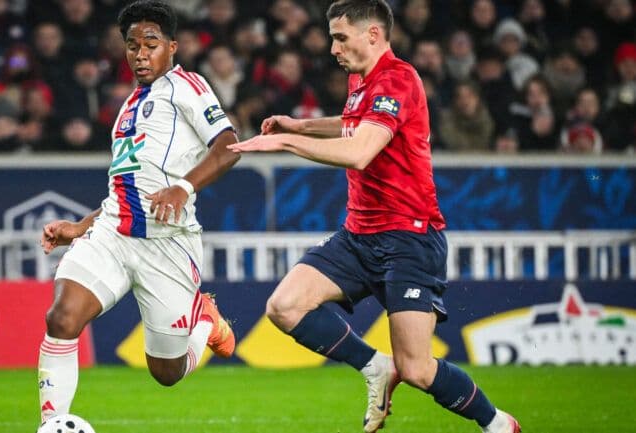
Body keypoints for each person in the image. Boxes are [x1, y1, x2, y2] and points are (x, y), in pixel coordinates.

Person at [228, 2, 521, 433]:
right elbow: (354, 124)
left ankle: (497, 423)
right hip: (359, 235)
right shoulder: (361, 81)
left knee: (417, 369)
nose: (333, 48)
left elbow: (360, 151)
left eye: (340, 38)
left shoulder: (398, 79)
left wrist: (286, 144)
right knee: (284, 307)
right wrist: (301, 127)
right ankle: (375, 366)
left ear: (372, 34)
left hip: (409, 238)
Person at [37, 0, 239, 424]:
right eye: (132, 46)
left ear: (172, 47)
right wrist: (81, 226)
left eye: (151, 44)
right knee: (62, 318)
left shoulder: (187, 86)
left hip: (167, 243)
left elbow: (229, 146)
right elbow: (125, 188)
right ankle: (53, 425)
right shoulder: (128, 107)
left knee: (166, 373)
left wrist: (184, 187)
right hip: (112, 235)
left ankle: (204, 319)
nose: (141, 54)